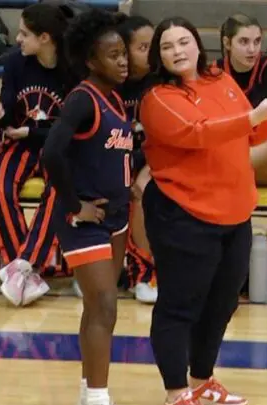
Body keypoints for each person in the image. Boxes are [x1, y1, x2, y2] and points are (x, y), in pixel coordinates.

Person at [139, 16, 267, 405]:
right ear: (158, 55)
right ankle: (175, 397)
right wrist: (255, 117)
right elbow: (198, 133)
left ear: (198, 44)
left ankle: (201, 380)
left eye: (183, 41)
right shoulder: (158, 98)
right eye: (167, 46)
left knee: (221, 305)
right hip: (184, 214)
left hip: (235, 212)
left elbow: (248, 129)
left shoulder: (218, 78)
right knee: (179, 306)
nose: (177, 51)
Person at [40, 8, 141, 405]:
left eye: (124, 53)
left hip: (115, 216)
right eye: (113, 54)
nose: (123, 61)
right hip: (87, 219)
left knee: (99, 310)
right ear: (90, 59)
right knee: (103, 304)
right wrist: (71, 203)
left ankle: (89, 401)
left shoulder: (115, 97)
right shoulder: (83, 98)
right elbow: (50, 153)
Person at [0, 3, 74, 307]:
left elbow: (75, 128)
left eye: (24, 33)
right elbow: (8, 109)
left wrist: (33, 133)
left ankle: (23, 266)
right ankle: (26, 269)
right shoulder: (15, 63)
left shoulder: (75, 68)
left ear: (45, 37)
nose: (18, 39)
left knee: (59, 190)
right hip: (18, 144)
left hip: (60, 148)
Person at [216, 13, 267, 187]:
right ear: (227, 43)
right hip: (231, 152)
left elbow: (266, 122)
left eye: (257, 41)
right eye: (244, 42)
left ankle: (226, 170)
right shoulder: (214, 72)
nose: (252, 49)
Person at [116, 15, 158, 304]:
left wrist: (147, 170)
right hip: (113, 161)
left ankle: (143, 272)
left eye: (153, 46)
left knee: (142, 191)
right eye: (143, 47)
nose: (151, 53)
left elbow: (171, 139)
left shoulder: (162, 81)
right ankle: (103, 269)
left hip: (154, 161)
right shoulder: (107, 82)